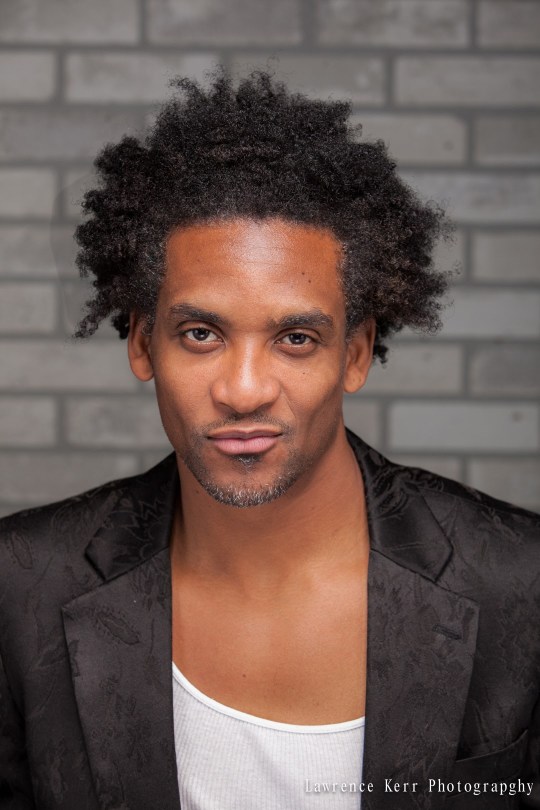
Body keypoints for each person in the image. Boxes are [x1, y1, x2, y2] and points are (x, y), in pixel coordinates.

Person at [0, 70, 538, 810]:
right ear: (142, 343)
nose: (244, 390)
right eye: (201, 334)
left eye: (295, 338)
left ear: (355, 354)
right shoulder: (23, 584)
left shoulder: (519, 583)